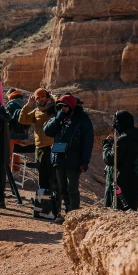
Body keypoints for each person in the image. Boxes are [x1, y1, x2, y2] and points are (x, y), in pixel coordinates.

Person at [42, 95, 94, 223]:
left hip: (74, 160)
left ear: (71, 106)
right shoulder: (59, 118)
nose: (63, 108)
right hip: (59, 158)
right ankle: (68, 214)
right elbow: (47, 131)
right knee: (63, 187)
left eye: (65, 106)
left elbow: (88, 142)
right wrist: (57, 118)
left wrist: (84, 161)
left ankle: (74, 214)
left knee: (72, 188)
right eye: (60, 106)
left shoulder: (82, 119)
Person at [101, 111, 138, 211]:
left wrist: (106, 145)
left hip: (120, 184)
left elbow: (110, 159)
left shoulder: (123, 140)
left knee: (116, 212)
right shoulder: (136, 138)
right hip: (132, 183)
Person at [19, 89, 58, 193]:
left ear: (47, 97)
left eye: (42, 97)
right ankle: (43, 204)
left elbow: (60, 108)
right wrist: (28, 105)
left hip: (52, 147)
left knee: (54, 177)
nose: (40, 100)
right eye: (38, 98)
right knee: (42, 176)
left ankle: (55, 205)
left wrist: (53, 99)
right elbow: (22, 119)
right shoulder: (36, 112)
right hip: (39, 148)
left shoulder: (54, 109)